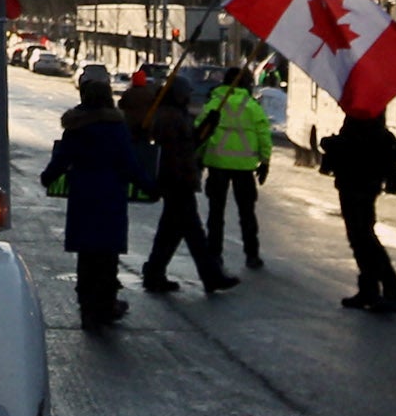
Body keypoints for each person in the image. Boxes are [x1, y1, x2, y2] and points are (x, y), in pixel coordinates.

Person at [41, 65, 150, 328]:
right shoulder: (116, 127)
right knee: (107, 254)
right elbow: (129, 164)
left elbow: (61, 159)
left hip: (83, 196)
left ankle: (87, 306)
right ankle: (106, 303)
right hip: (110, 195)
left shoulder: (75, 127)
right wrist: (150, 186)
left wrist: (48, 177)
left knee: (86, 255)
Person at [316, 100, 396, 314]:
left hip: (357, 184)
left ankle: (390, 291)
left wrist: (331, 144)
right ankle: (369, 289)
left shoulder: (364, 119)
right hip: (360, 183)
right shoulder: (369, 119)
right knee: (360, 237)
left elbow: (353, 147)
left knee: (363, 237)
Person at [140, 63, 231, 294]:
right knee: (193, 232)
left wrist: (208, 127)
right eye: (186, 92)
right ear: (177, 94)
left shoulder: (174, 114)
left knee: (171, 231)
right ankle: (211, 276)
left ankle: (154, 272)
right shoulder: (170, 116)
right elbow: (179, 149)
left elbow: (190, 144)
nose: (190, 96)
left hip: (178, 178)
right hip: (176, 179)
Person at [197, 66, 276, 271]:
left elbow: (201, 132)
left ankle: (215, 254)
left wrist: (198, 158)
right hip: (244, 168)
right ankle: (252, 255)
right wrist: (265, 161)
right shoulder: (252, 107)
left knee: (215, 214)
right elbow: (263, 135)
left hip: (217, 165)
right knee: (247, 213)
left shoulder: (215, 104)